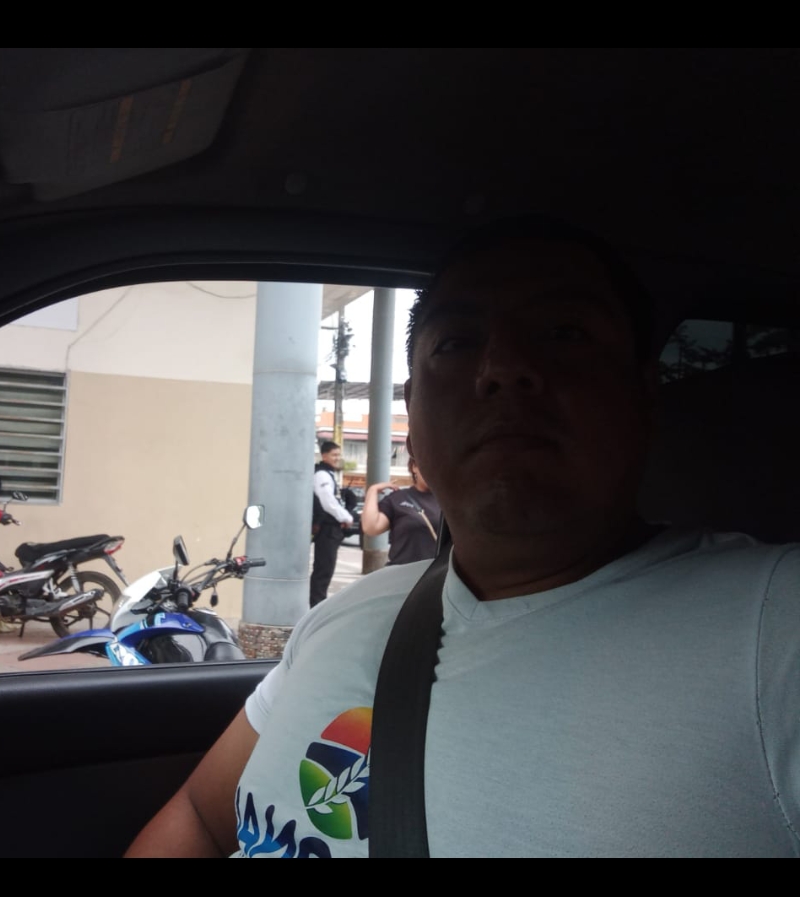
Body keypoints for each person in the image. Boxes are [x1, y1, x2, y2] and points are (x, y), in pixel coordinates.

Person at [123, 210, 800, 858]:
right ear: (412, 413)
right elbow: (202, 818)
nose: (501, 367)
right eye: (456, 343)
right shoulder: (347, 616)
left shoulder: (774, 628)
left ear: (644, 395)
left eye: (564, 332)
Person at [360, 444, 444, 565]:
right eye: (427, 466)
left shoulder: (449, 501)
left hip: (438, 571)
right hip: (403, 571)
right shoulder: (397, 499)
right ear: (414, 467)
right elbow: (371, 528)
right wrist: (372, 491)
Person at [309, 438, 357, 608]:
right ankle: (316, 606)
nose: (337, 458)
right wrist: (346, 517)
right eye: (334, 455)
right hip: (327, 528)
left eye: (338, 454)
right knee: (324, 570)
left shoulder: (328, 474)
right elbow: (328, 502)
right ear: (324, 456)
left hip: (329, 528)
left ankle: (317, 604)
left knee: (325, 569)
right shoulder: (322, 475)